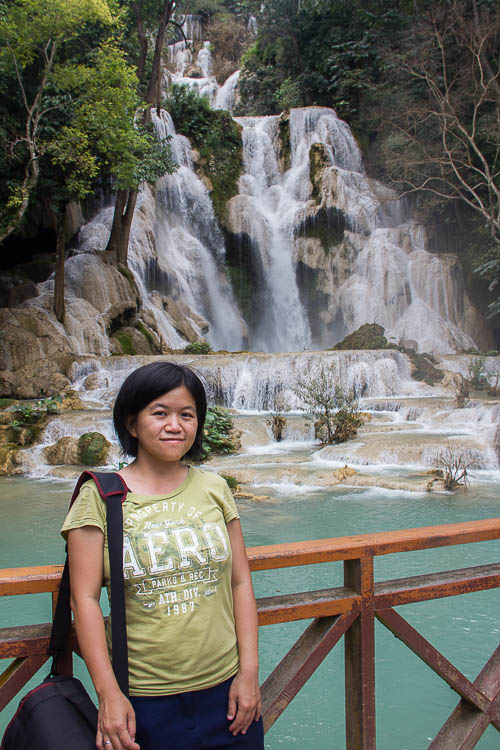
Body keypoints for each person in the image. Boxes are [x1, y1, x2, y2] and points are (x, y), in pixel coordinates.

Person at [61, 361, 264, 750]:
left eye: (187, 414)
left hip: (227, 692)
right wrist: (109, 694)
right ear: (132, 424)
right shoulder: (101, 497)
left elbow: (240, 581)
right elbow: (83, 600)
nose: (175, 425)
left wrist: (249, 674)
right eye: (160, 413)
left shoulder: (214, 487)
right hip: (142, 702)